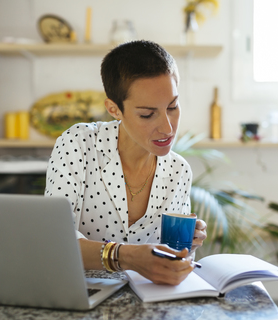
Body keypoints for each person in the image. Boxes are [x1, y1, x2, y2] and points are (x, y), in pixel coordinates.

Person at [45, 40, 207, 285]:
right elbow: (55, 241)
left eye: (172, 106)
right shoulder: (78, 144)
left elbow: (169, 256)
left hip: (150, 302)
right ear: (114, 109)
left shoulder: (179, 171)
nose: (167, 127)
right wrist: (126, 257)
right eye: (147, 114)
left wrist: (187, 246)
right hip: (80, 297)